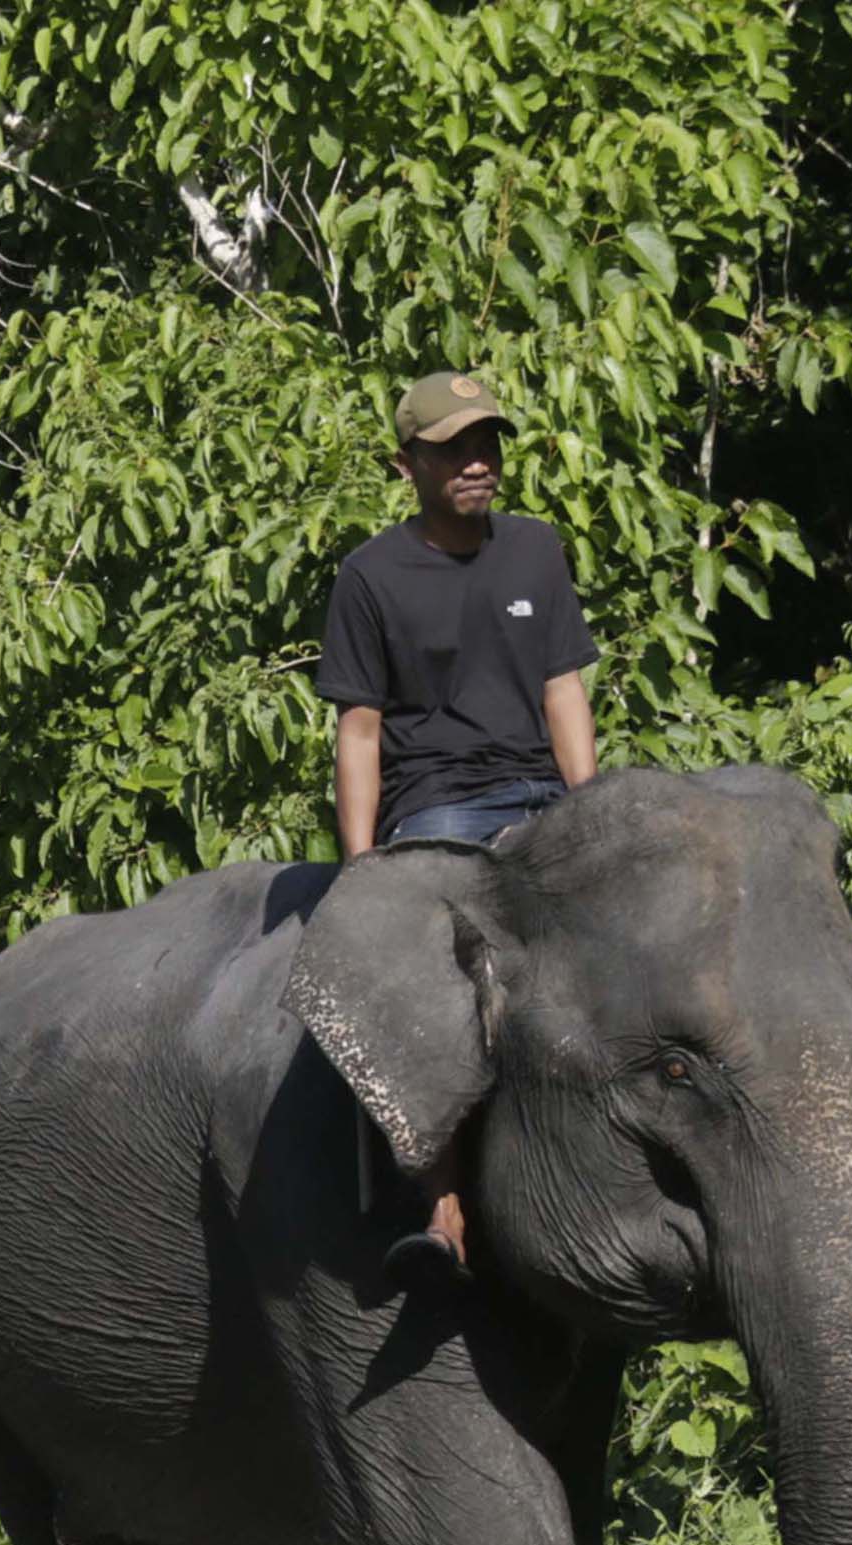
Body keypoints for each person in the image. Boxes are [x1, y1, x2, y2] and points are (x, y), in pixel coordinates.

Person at [311, 366, 601, 1284]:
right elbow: (358, 728)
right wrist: (362, 867)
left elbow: (564, 689)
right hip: (436, 806)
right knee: (432, 989)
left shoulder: (535, 551)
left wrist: (589, 810)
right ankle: (442, 1210)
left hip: (541, 795)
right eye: (453, 450)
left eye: (487, 444)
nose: (477, 463)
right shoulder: (371, 575)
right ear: (409, 465)